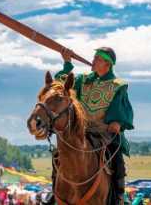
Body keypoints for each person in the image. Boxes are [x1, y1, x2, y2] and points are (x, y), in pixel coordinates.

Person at [55, 47, 134, 204]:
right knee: (60, 155)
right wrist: (67, 63)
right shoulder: (83, 80)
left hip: (104, 132)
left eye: (97, 58)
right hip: (81, 131)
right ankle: (56, 193)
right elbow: (61, 87)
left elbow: (120, 111)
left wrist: (116, 121)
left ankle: (118, 197)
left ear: (107, 64)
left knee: (117, 159)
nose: (93, 60)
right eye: (94, 57)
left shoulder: (117, 85)